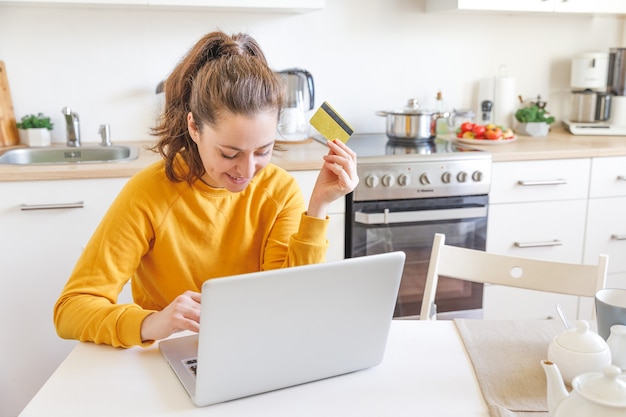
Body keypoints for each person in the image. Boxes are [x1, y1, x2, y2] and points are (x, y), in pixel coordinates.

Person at [53, 31, 358, 348]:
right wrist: (152, 323)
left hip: (256, 348)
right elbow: (71, 309)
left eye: (263, 151)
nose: (248, 170)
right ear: (194, 127)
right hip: (170, 355)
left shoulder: (279, 190)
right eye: (229, 154)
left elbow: (291, 301)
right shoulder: (149, 192)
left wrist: (319, 205)